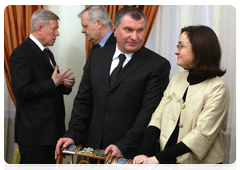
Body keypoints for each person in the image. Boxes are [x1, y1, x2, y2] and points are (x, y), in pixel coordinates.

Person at [55, 6, 170, 161]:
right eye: (128, 30)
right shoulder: (96, 56)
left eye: (140, 30)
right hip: (94, 149)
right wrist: (73, 134)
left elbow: (149, 112)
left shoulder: (157, 65)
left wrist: (123, 145)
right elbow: (84, 101)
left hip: (129, 154)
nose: (135, 37)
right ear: (115, 30)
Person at [133, 25, 230, 170]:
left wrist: (157, 158)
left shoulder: (218, 87)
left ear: (200, 49)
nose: (176, 51)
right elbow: (157, 117)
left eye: (181, 46)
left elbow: (202, 134)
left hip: (201, 167)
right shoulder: (177, 78)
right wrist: (143, 153)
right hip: (168, 161)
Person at [9, 9, 75, 170]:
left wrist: (64, 85)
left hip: (50, 132)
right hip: (35, 135)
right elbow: (21, 91)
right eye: (54, 29)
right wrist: (53, 83)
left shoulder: (47, 53)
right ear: (39, 28)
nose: (57, 33)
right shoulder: (21, 53)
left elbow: (51, 86)